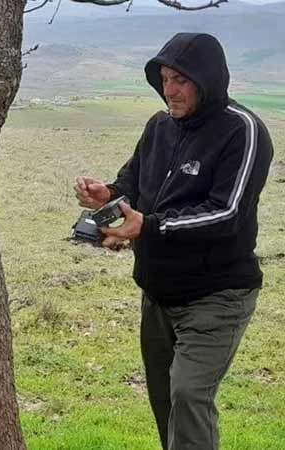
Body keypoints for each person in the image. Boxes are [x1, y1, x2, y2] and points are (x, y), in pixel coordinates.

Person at [75, 33, 273, 450]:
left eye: (180, 80)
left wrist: (148, 227)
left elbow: (227, 213)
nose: (169, 90)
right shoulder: (159, 125)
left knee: (188, 395)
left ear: (208, 80)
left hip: (217, 295)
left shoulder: (243, 131)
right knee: (166, 402)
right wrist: (108, 196)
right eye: (164, 79)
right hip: (158, 294)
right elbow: (134, 183)